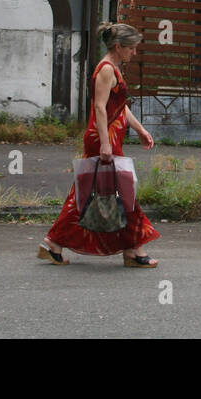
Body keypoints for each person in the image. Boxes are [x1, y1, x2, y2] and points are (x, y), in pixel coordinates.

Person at [38, 23, 160, 267]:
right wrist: (105, 144)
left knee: (93, 192)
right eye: (132, 48)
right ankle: (133, 249)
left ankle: (54, 243)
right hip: (102, 138)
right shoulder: (106, 69)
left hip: (110, 136)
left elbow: (119, 106)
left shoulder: (114, 68)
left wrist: (141, 130)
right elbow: (100, 107)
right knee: (121, 191)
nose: (134, 53)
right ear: (118, 46)